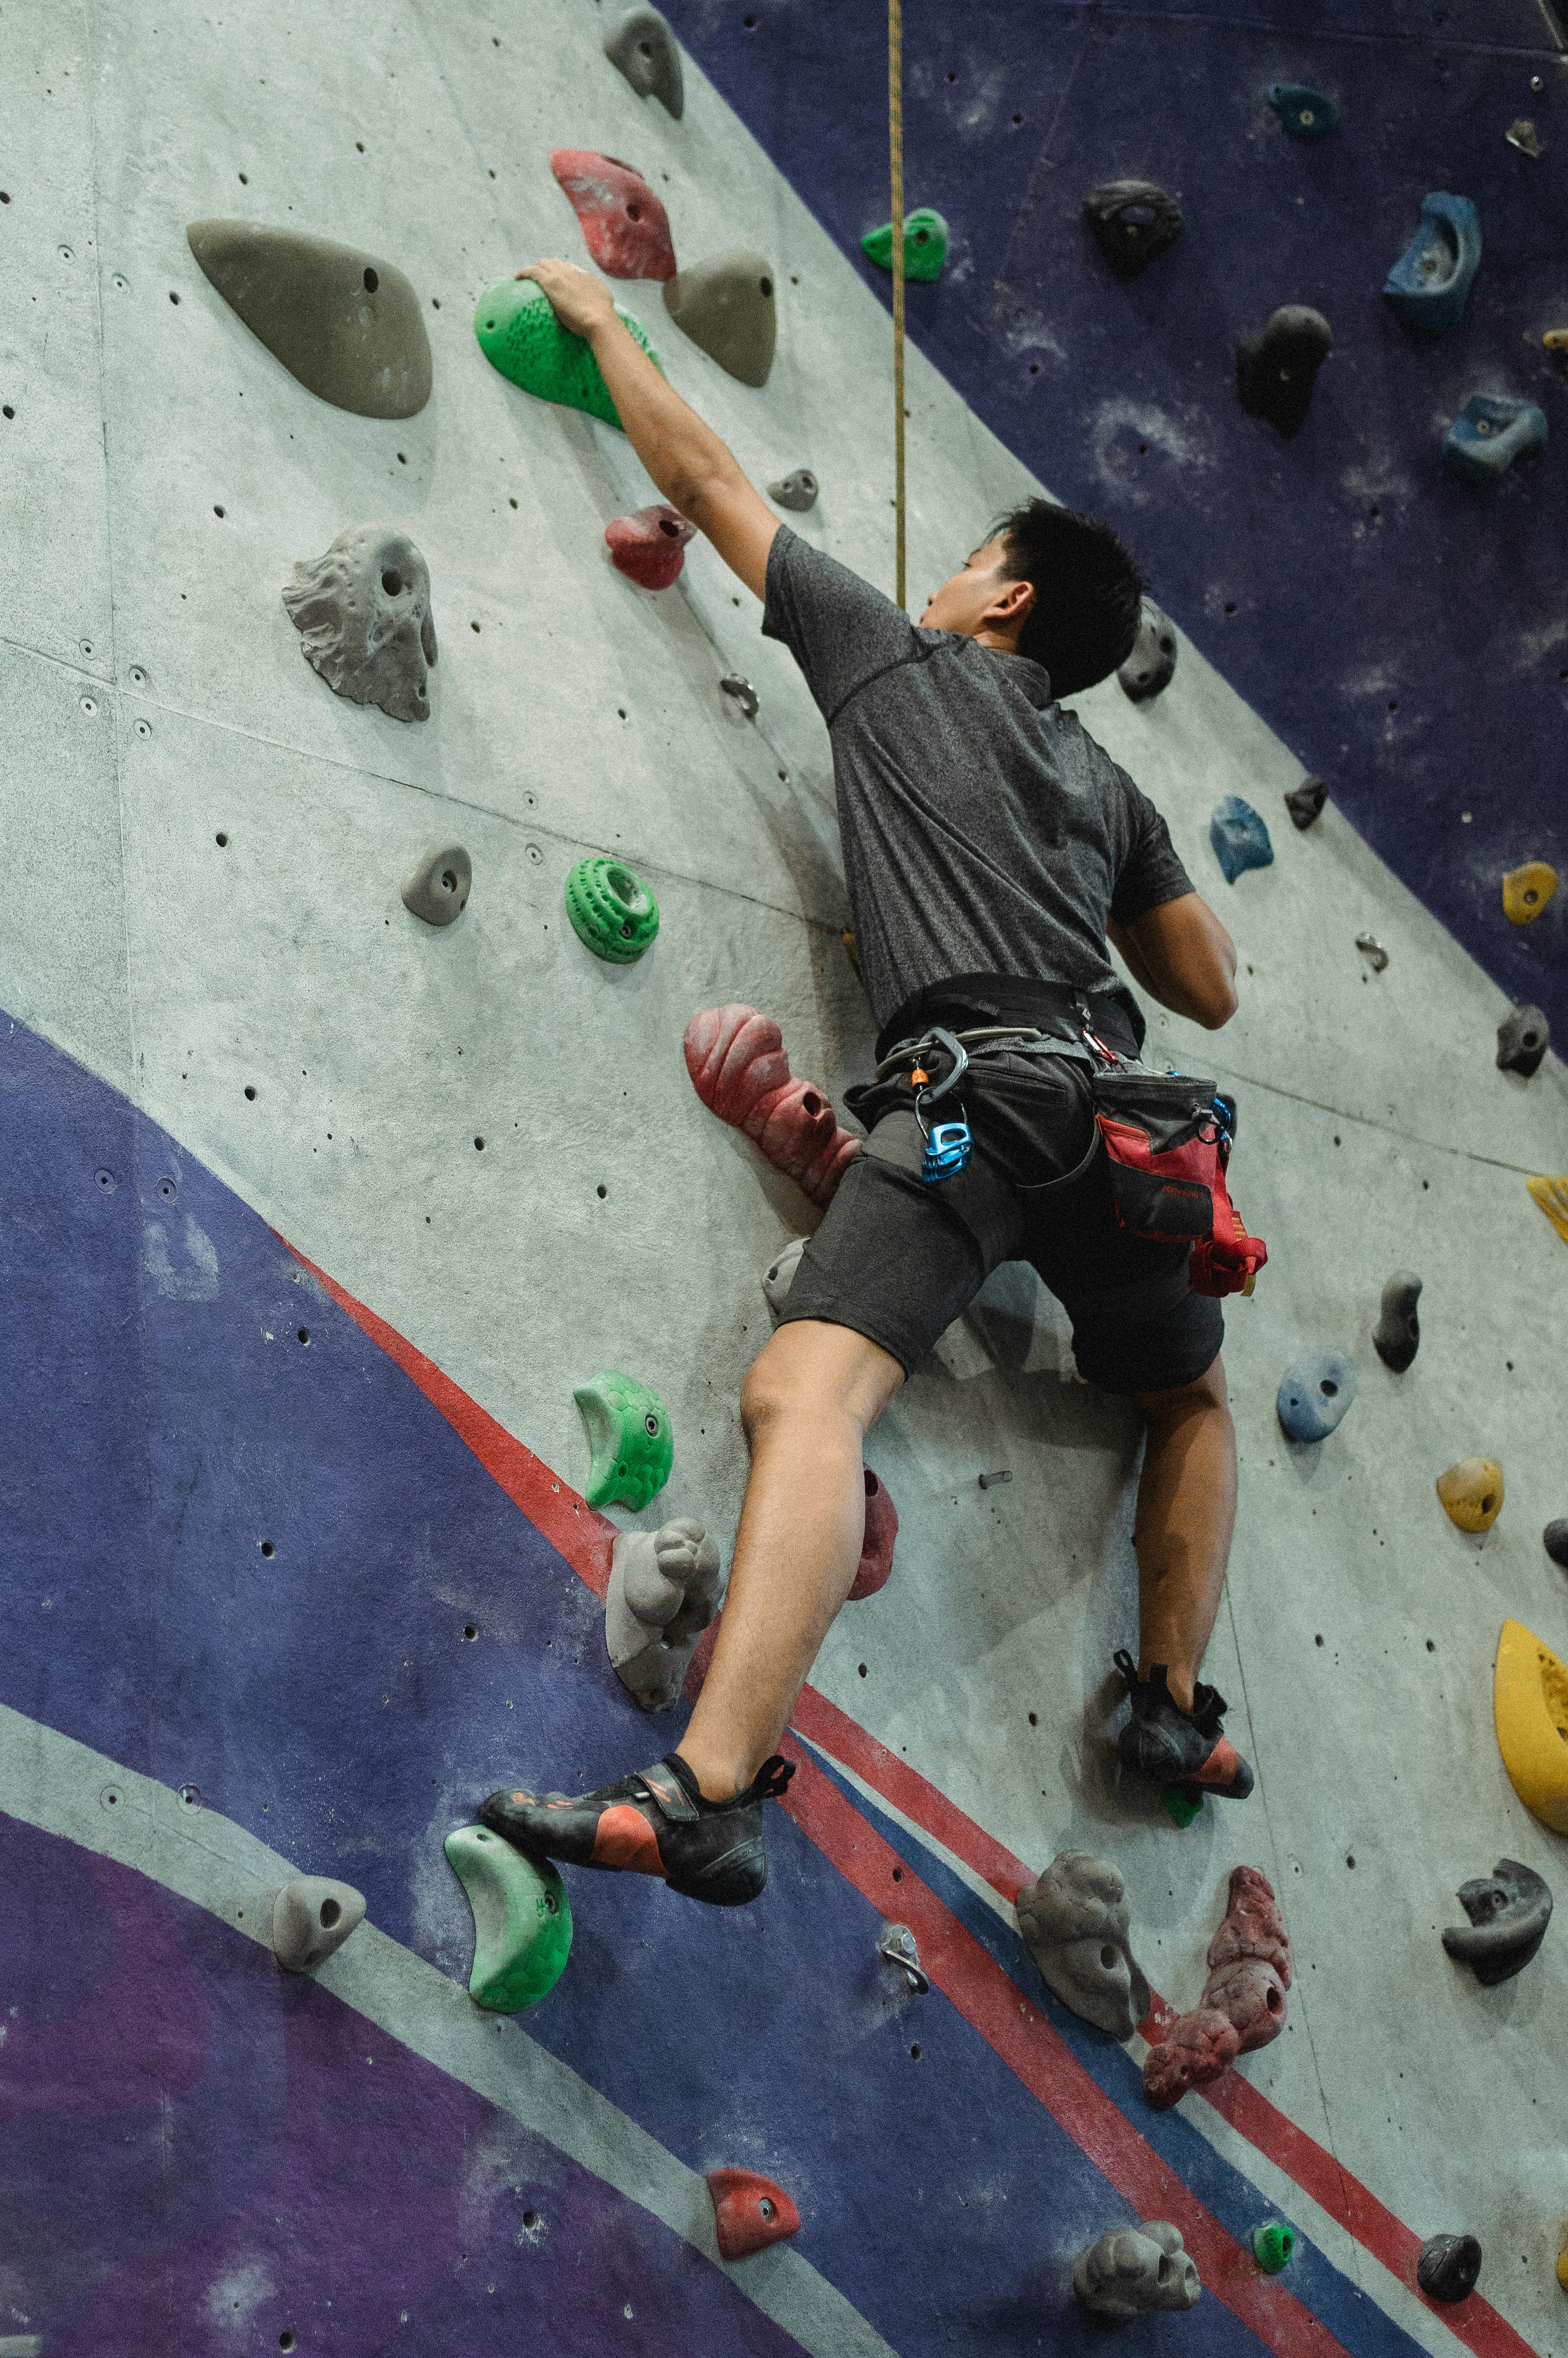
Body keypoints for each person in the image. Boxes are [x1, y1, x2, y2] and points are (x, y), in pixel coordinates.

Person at [480, 258, 1252, 1912]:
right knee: (1187, 1399)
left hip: (973, 1104)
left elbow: (701, 482)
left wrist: (602, 323)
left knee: (808, 1397)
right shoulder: (1110, 787)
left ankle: (708, 1788)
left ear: (1007, 603)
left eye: (971, 563)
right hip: (1128, 1129)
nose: (947, 576)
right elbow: (1208, 983)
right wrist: (1109, 856)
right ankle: (1175, 1712)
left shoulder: (895, 666)